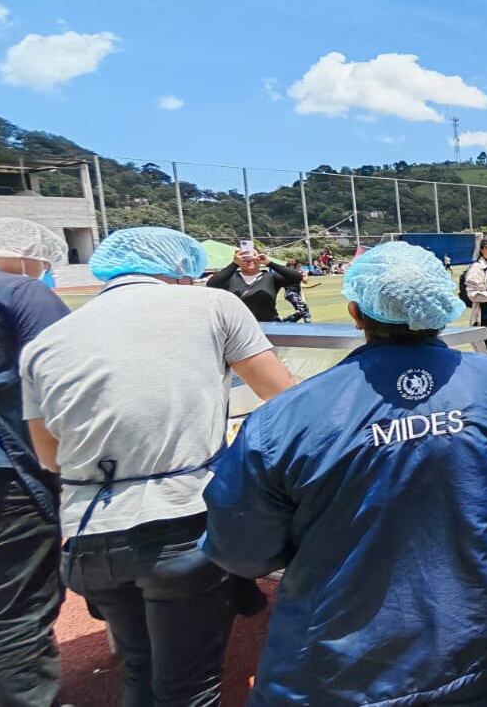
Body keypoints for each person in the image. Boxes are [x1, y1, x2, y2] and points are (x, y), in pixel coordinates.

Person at [203, 242, 487, 706]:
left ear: (356, 312)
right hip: (484, 635)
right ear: (441, 308)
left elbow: (241, 550)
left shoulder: (282, 420)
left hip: (349, 663)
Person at [22, 227, 296, 707]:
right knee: (189, 687)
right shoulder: (214, 306)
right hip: (179, 525)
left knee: (140, 670)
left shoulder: (49, 340)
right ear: (182, 268)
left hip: (89, 535)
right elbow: (284, 396)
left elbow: (49, 456)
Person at [0, 219, 71, 707]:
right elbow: (74, 376)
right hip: (12, 473)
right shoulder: (23, 293)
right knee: (17, 609)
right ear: (30, 254)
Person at [205, 246, 305, 323]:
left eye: (252, 255)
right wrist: (234, 264)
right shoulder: (231, 277)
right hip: (239, 327)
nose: (249, 260)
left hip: (269, 325)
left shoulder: (271, 277)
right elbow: (212, 284)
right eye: (244, 256)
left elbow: (297, 277)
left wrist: (269, 263)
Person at [280, 256, 318, 322]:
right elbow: (305, 281)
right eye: (300, 264)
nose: (301, 266)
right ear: (296, 265)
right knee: (302, 311)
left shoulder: (288, 272)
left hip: (291, 294)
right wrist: (306, 273)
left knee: (305, 310)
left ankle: (308, 323)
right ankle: (284, 322)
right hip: (292, 294)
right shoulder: (297, 272)